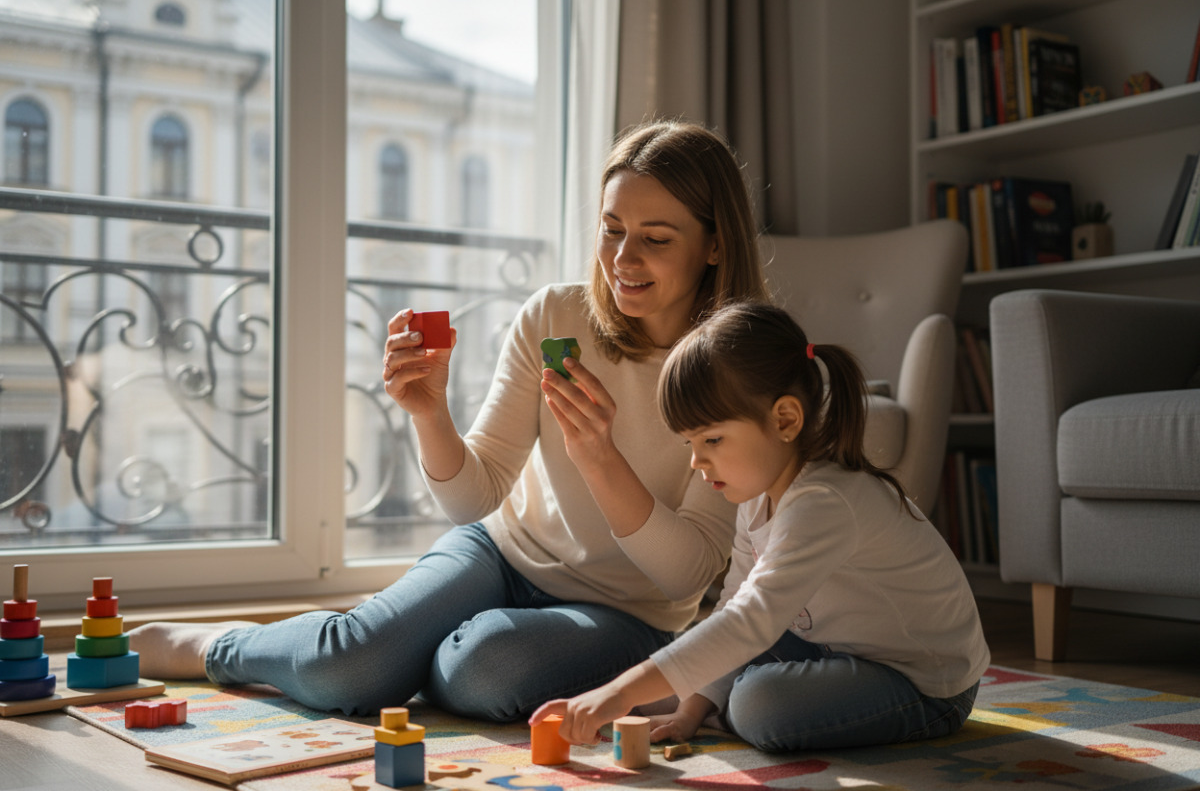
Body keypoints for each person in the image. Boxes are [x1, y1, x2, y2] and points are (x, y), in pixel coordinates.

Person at [129, 119, 770, 722]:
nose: (623, 258)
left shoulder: (736, 372)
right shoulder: (554, 316)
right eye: (610, 229)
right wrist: (430, 413)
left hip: (629, 612)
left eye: (656, 239)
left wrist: (600, 458)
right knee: (346, 670)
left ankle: (401, 658)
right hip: (498, 552)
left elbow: (689, 573)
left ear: (714, 245)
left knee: (484, 671)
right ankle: (217, 646)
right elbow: (474, 499)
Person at [530, 301, 990, 752]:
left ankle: (728, 702)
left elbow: (748, 623)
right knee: (691, 678)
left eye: (711, 439)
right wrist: (693, 707)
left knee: (758, 706)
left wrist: (619, 693)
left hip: (926, 682)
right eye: (690, 442)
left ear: (785, 419)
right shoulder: (754, 496)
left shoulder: (823, 503)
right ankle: (713, 701)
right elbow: (734, 602)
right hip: (829, 645)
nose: (696, 460)